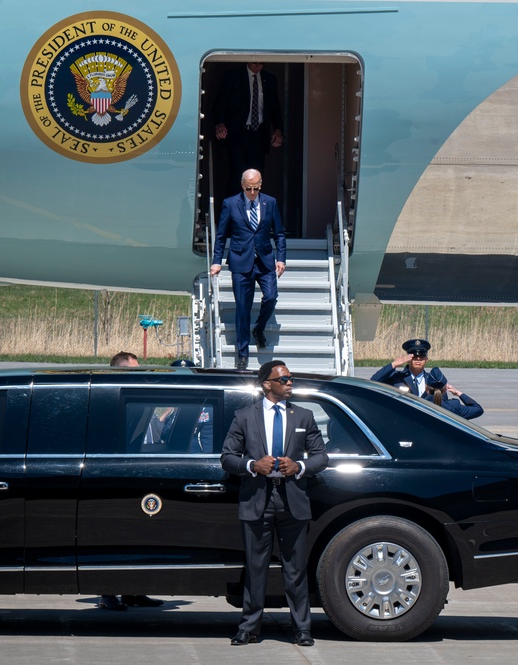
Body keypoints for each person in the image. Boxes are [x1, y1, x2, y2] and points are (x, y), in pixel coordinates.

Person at [221, 360, 328, 647]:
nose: (290, 383)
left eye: (291, 378)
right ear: (267, 384)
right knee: (255, 569)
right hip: (257, 499)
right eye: (284, 379)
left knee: (295, 570)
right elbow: (227, 457)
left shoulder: (303, 416)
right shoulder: (244, 416)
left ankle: (302, 629)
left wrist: (300, 467)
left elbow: (321, 457)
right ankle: (249, 627)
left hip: (292, 500)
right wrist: (254, 465)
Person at [98, 351, 165, 611]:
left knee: (139, 536)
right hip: (119, 479)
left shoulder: (138, 401)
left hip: (143, 477)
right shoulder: (112, 403)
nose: (141, 376)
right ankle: (107, 592)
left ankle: (134, 591)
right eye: (135, 371)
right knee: (113, 537)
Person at [210, 168, 287, 371]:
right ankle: (242, 354)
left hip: (264, 260)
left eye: (256, 188)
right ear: (242, 186)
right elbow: (220, 235)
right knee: (242, 309)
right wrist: (216, 261)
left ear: (261, 184)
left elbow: (279, 233)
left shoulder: (269, 202)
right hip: (240, 261)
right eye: (249, 188)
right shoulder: (230, 203)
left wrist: (281, 258)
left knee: (271, 297)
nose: (252, 192)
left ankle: (259, 329)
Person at [213, 63, 284, 194]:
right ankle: (233, 212)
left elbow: (275, 107)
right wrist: (220, 124)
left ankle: (252, 211)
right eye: (254, 62)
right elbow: (220, 102)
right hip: (237, 133)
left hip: (259, 133)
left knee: (256, 176)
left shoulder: (270, 79)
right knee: (238, 175)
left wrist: (278, 129)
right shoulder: (233, 76)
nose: (257, 66)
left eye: (260, 63)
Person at [371, 339, 437, 396]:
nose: (418, 359)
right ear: (408, 359)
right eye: (414, 356)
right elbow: (373, 382)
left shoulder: (433, 380)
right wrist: (393, 364)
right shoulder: (397, 377)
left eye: (421, 356)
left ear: (426, 359)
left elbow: (442, 402)